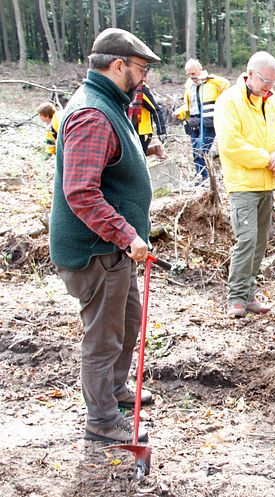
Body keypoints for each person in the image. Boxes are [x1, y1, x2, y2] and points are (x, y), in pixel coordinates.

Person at [49, 28, 162, 444]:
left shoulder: (109, 105)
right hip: (97, 251)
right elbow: (80, 192)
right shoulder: (93, 114)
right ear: (118, 66)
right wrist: (125, 233)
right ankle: (101, 421)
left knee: (127, 322)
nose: (144, 77)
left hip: (116, 250)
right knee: (103, 337)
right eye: (141, 69)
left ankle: (115, 392)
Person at [214, 51, 275, 318]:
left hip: (267, 183)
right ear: (250, 73)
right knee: (246, 239)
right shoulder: (229, 102)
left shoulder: (271, 102)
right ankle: (235, 297)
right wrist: (266, 158)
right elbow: (231, 145)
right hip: (243, 184)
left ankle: (248, 294)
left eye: (273, 82)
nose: (269, 86)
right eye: (266, 80)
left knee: (259, 242)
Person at [173, 59, 229, 183]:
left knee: (202, 150)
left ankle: (205, 178)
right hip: (193, 123)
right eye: (188, 74)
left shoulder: (212, 82)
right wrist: (179, 113)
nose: (191, 77)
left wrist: (209, 78)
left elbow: (226, 85)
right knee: (195, 152)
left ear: (199, 70)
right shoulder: (190, 86)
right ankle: (201, 177)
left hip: (208, 122)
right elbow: (189, 106)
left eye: (193, 73)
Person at [129, 75, 166, 156]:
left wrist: (161, 131)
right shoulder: (128, 88)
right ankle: (155, 149)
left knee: (139, 155)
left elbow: (155, 110)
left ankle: (156, 149)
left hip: (143, 130)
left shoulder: (142, 90)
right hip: (131, 128)